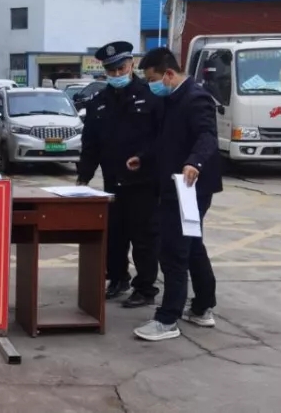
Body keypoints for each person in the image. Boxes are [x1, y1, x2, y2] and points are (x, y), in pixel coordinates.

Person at [132, 47, 223, 342]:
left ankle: (167, 319)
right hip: (174, 184)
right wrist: (143, 157)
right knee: (192, 245)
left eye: (152, 79)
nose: (151, 86)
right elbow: (164, 140)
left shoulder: (196, 98)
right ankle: (202, 307)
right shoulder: (169, 99)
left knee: (173, 250)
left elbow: (207, 136)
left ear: (169, 74)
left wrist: (194, 162)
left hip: (189, 187)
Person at [77, 41, 164, 308]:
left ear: (132, 65)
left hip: (144, 183)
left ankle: (145, 288)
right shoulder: (99, 102)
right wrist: (83, 177)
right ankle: (117, 279)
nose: (116, 75)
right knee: (114, 236)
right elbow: (90, 144)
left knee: (144, 238)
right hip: (112, 182)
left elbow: (162, 138)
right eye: (111, 71)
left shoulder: (151, 96)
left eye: (121, 69)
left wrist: (145, 158)